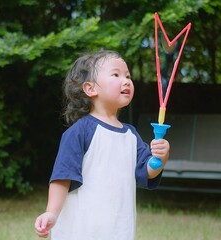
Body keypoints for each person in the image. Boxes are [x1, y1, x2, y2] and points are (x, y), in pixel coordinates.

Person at [34, 50, 170, 239]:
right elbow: (62, 177)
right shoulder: (80, 132)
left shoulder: (131, 135)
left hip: (118, 230)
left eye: (128, 76)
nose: (126, 81)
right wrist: (51, 212)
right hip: (81, 230)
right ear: (90, 89)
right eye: (116, 74)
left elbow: (147, 171)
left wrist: (160, 158)